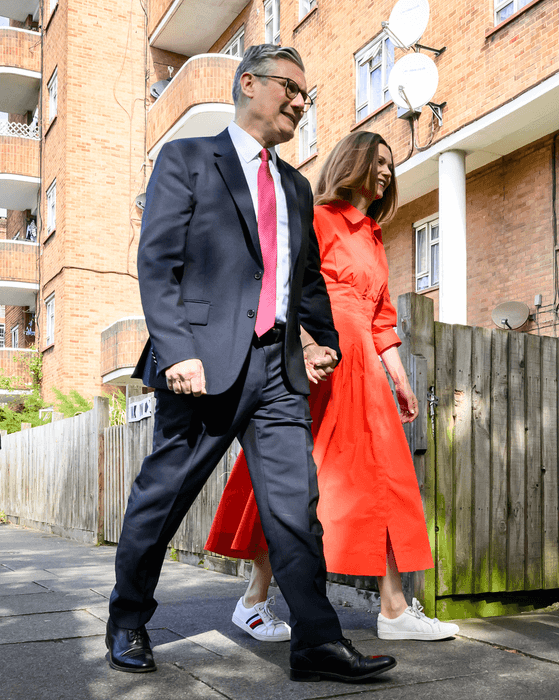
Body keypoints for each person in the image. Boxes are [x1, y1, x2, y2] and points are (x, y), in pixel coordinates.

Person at [107, 44, 397, 684]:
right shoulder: (187, 159)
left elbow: (305, 279)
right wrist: (178, 350)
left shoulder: (295, 185)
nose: (300, 100)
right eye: (290, 87)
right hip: (203, 368)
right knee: (165, 496)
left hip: (277, 371)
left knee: (296, 508)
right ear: (247, 85)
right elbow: (158, 264)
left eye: (305, 94)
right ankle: (127, 619)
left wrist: (321, 339)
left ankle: (317, 643)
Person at [204, 131, 459, 643]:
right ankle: (254, 598)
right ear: (352, 162)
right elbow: (283, 287)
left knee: (383, 478)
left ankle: (394, 611)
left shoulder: (373, 236)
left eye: (391, 163)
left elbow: (382, 319)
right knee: (291, 479)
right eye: (378, 160)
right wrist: (303, 348)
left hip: (365, 367)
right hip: (318, 364)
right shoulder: (317, 218)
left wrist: (402, 381)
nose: (387, 170)